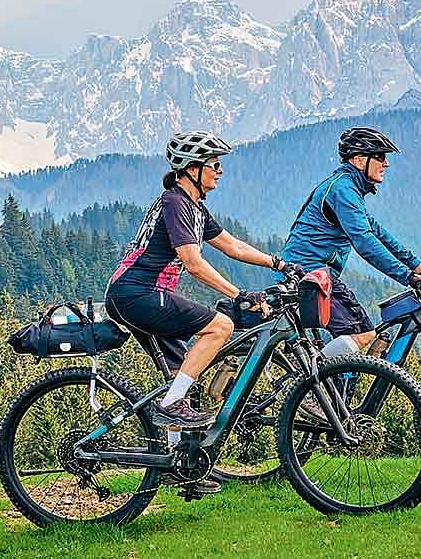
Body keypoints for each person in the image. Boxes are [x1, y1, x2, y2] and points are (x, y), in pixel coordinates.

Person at [105, 131, 292, 433]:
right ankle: (170, 404)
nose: (220, 171)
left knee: (182, 378)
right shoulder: (175, 203)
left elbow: (233, 246)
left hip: (139, 296)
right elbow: (193, 263)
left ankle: (177, 456)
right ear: (193, 168)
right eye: (214, 165)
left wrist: (278, 263)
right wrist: (239, 294)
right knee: (221, 327)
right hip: (137, 294)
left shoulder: (194, 208)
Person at [280, 126, 421, 363]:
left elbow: (375, 230)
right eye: (380, 156)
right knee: (359, 333)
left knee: (359, 335)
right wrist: (408, 277)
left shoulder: (348, 188)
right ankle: (308, 380)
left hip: (314, 272)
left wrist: (415, 264)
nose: (386, 163)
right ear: (360, 159)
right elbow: (365, 242)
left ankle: (324, 380)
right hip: (308, 273)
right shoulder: (343, 190)